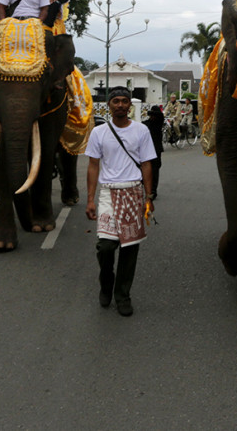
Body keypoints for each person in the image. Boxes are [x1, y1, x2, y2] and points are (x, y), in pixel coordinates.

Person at [84, 87, 157, 317]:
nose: (120, 105)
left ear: (130, 105)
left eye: (124, 101)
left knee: (129, 249)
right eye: (115, 101)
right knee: (105, 247)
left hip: (133, 193)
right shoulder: (99, 132)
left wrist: (148, 196)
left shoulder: (141, 131)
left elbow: (146, 164)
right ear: (109, 105)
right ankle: (107, 283)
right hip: (108, 193)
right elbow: (93, 165)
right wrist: (90, 199)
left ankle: (123, 296)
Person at [142, 104, 165, 201]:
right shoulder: (147, 123)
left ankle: (153, 191)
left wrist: (152, 112)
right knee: (146, 171)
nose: (153, 117)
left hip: (156, 150)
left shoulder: (159, 122)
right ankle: (149, 190)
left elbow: (160, 116)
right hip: (147, 150)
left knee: (155, 171)